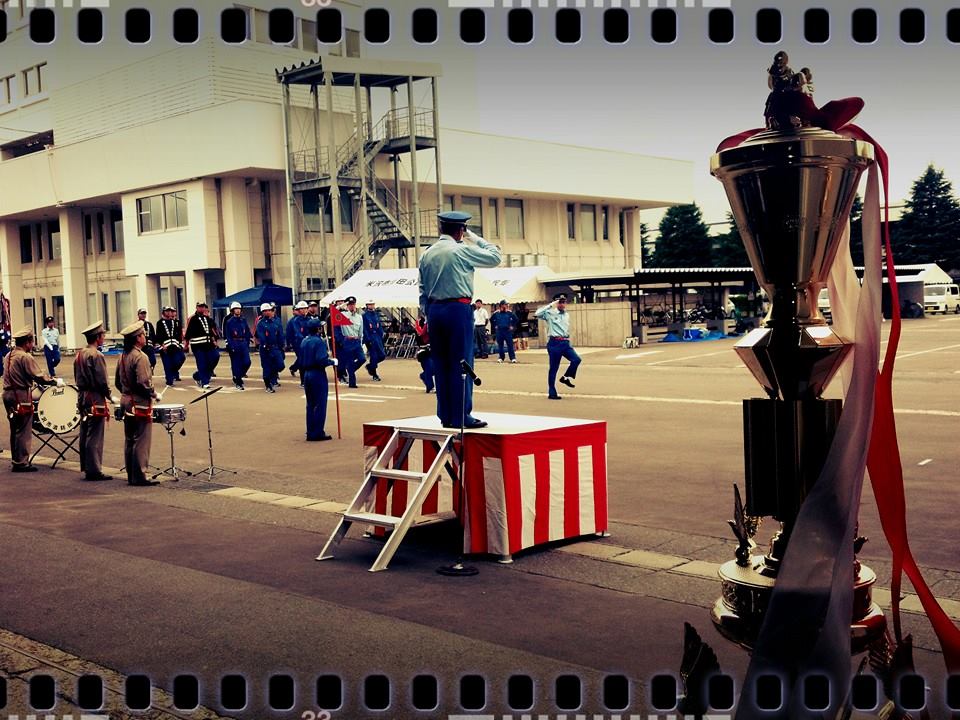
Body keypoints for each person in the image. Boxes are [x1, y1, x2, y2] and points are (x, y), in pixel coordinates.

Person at [418, 210, 501, 428]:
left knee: (441, 362)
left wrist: (427, 314)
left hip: (435, 311)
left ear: (441, 228)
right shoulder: (461, 250)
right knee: (462, 362)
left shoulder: (427, 254)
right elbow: (495, 257)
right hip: (458, 308)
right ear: (461, 230)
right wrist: (474, 237)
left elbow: (422, 289)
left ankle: (445, 415)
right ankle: (461, 415)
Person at [2, 327, 59, 472]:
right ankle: (22, 463)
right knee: (23, 430)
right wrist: (54, 382)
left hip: (7, 394)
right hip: (20, 395)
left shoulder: (9, 355)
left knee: (15, 428)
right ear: (27, 342)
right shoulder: (25, 357)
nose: (32, 345)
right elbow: (38, 376)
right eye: (31, 342)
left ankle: (16, 459)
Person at [115, 321, 161, 486]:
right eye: (143, 334)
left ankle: (131, 474)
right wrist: (154, 394)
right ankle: (140, 475)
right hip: (139, 403)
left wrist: (127, 392)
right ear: (137, 338)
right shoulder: (141, 357)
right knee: (141, 440)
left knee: (130, 439)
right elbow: (143, 382)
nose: (145, 337)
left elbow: (118, 382)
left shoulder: (122, 356)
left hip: (126, 400)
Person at [74, 320, 112, 481]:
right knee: (95, 435)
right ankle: (94, 470)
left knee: (85, 432)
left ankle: (87, 466)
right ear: (98, 337)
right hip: (95, 397)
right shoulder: (97, 355)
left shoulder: (79, 354)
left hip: (83, 396)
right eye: (103, 335)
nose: (104, 338)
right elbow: (102, 380)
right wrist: (109, 395)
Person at [535, 293, 581, 400]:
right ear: (556, 303)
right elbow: (537, 313)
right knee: (554, 368)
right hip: (554, 343)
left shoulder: (566, 314)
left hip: (565, 343)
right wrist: (551, 305)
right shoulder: (550, 313)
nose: (562, 304)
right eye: (560, 302)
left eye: (564, 302)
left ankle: (565, 377)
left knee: (576, 360)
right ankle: (552, 392)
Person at [300, 317, 337, 441]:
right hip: (317, 374)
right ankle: (318, 432)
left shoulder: (304, 340)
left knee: (310, 404)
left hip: (307, 374)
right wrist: (332, 361)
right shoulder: (318, 341)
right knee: (320, 404)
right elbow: (321, 360)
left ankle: (310, 431)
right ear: (318, 329)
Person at [184, 301, 220, 389]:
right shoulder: (193, 319)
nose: (202, 308)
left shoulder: (207, 318)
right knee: (202, 363)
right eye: (200, 307)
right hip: (198, 346)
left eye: (203, 307)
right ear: (197, 308)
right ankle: (205, 382)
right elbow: (188, 333)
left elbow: (210, 331)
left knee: (215, 356)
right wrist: (186, 344)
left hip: (208, 344)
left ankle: (198, 375)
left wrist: (214, 341)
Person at [336, 296, 366, 388]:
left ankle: (350, 369)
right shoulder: (343, 315)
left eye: (353, 304)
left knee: (362, 359)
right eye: (349, 305)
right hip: (347, 341)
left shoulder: (359, 317)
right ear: (347, 306)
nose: (352, 306)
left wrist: (360, 339)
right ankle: (352, 384)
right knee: (350, 361)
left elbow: (361, 330)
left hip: (356, 341)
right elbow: (332, 314)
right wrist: (341, 306)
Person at [254, 302, 285, 392]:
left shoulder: (276, 322)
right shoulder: (261, 323)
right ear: (262, 312)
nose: (268, 312)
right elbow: (261, 336)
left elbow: (280, 334)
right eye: (265, 311)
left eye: (269, 310)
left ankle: (273, 377)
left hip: (275, 347)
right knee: (266, 366)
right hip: (266, 348)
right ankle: (268, 385)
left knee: (280, 365)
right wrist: (265, 345)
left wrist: (282, 345)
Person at [224, 301, 252, 390]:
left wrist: (248, 341)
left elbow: (247, 331)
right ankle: (238, 381)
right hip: (234, 343)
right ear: (232, 310)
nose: (238, 311)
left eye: (239, 309)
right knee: (236, 363)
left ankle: (239, 374)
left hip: (243, 343)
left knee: (247, 362)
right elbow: (228, 335)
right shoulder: (229, 322)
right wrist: (230, 346)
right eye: (236, 309)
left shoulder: (243, 320)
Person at [156, 305, 186, 385]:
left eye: (170, 311)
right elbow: (158, 335)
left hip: (175, 346)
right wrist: (162, 345)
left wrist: (180, 344)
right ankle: (169, 380)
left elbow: (178, 334)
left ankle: (174, 372)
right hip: (165, 347)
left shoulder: (175, 322)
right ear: (163, 312)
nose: (169, 313)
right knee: (167, 364)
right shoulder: (160, 323)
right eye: (167, 311)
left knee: (179, 360)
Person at [286, 300, 309, 385]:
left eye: (305, 308)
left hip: (309, 343)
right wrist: (289, 344)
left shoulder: (309, 319)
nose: (304, 310)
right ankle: (303, 381)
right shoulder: (295, 321)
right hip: (299, 344)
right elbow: (297, 332)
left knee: (308, 360)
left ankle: (306, 377)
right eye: (301, 309)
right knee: (302, 360)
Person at [362, 300, 385, 382]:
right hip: (370, 338)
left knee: (382, 355)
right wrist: (368, 339)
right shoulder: (364, 316)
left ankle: (370, 366)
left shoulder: (376, 314)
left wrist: (382, 334)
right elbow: (364, 329)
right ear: (367, 305)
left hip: (378, 337)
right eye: (370, 304)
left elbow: (379, 325)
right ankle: (374, 374)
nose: (372, 306)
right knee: (374, 356)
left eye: (372, 304)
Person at [414, 315, 434, 393]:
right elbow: (421, 333)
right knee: (429, 369)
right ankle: (430, 386)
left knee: (434, 369)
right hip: (424, 352)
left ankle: (424, 377)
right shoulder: (425, 325)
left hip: (432, 350)